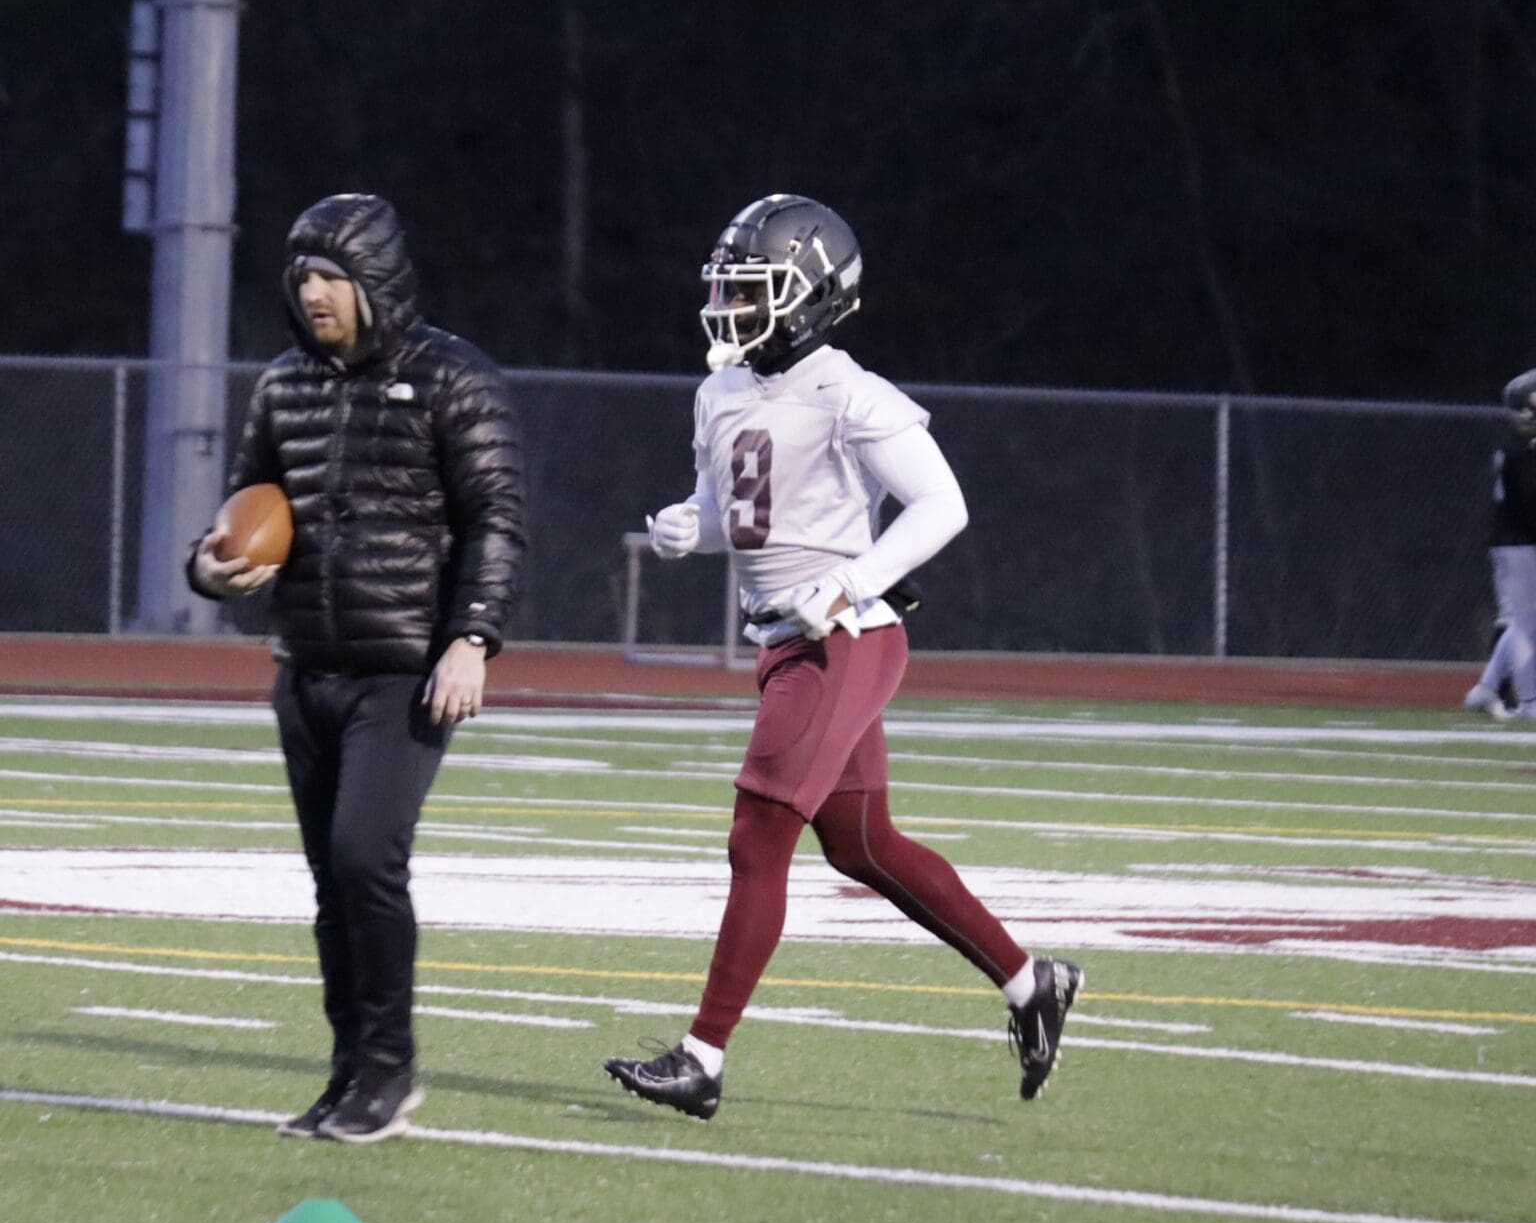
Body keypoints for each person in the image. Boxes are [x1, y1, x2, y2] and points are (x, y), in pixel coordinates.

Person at [603, 194, 1081, 1120]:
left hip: (845, 640)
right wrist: (687, 528)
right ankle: (1033, 985)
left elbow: (944, 506)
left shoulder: (847, 390)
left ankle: (702, 1057)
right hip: (786, 644)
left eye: (756, 292)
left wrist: (852, 584)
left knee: (757, 837)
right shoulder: (721, 391)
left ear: (814, 295)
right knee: (863, 845)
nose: (733, 310)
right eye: (729, 291)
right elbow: (739, 516)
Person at [187, 193, 525, 1143]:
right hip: (306, 663)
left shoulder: (455, 378)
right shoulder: (282, 385)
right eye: (302, 277)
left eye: (332, 275)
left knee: (364, 858)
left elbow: (496, 517)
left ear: (374, 281)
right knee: (328, 882)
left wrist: (474, 636)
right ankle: (348, 1069)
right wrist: (208, 567)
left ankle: (389, 1067)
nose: (315, 293)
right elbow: (241, 513)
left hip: (403, 668)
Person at [1465, 367, 1536, 722]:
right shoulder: (1522, 451)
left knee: (1521, 621)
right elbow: (1528, 504)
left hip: (1514, 541)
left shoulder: (1517, 447)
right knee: (1525, 624)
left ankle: (1487, 688)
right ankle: (1529, 701)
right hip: (1520, 542)